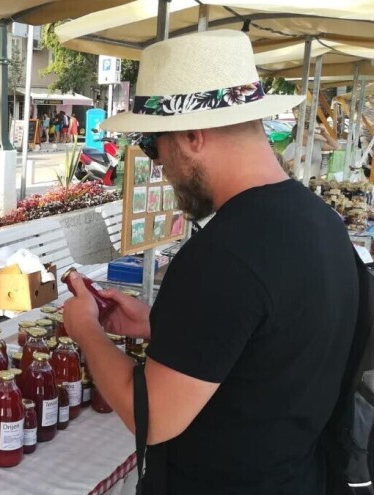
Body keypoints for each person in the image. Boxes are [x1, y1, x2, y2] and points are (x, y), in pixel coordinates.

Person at [63, 30, 358, 494]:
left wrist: (86, 332)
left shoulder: (224, 254)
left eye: (153, 144)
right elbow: (268, 348)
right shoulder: (323, 223)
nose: (158, 165)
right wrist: (162, 325)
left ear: (192, 136)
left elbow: (152, 416)